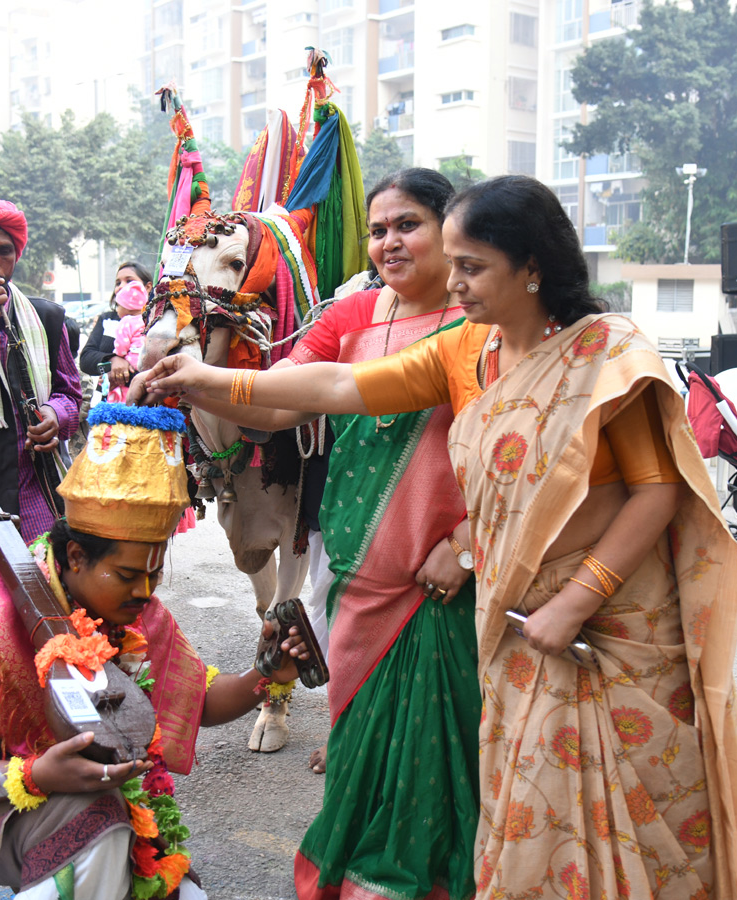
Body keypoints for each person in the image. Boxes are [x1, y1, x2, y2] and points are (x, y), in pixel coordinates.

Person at [136, 175, 737, 899]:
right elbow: (338, 388)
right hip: (514, 624)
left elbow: (657, 489)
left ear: (530, 264)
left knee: (621, 812)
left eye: (471, 266)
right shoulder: (468, 351)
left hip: (608, 623)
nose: (457, 283)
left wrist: (576, 598)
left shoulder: (605, 353)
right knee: (531, 809)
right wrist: (203, 379)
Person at [148, 169, 481, 900]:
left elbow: (515, 459)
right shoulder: (349, 314)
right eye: (378, 228)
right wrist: (196, 382)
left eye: (409, 224)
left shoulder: (480, 323)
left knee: (438, 766)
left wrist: (465, 546)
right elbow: (277, 406)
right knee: (361, 758)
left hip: (444, 584)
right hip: (358, 572)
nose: (389, 241)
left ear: (450, 229)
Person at [0, 403, 311, 899]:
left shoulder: (135, 609)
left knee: (180, 890)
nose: (145, 591)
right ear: (75, 557)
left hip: (87, 794)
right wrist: (36, 774)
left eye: (154, 573)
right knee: (99, 826)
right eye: (127, 575)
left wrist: (268, 672)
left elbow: (198, 700)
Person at [0, 197, 82, 545]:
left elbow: (70, 393)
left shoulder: (47, 319)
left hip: (38, 494)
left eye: (4, 251)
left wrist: (54, 414)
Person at [79, 260, 153, 388]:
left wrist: (122, 376)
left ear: (147, 287)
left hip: (146, 397)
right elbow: (86, 359)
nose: (121, 286)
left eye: (129, 281)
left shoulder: (155, 320)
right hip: (107, 399)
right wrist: (112, 361)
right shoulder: (107, 320)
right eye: (118, 283)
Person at [106, 281, 149, 402]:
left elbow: (121, 346)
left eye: (118, 306)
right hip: (146, 363)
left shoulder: (126, 321)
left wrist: (118, 356)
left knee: (125, 391)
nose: (117, 310)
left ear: (126, 307)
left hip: (132, 364)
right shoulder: (147, 320)